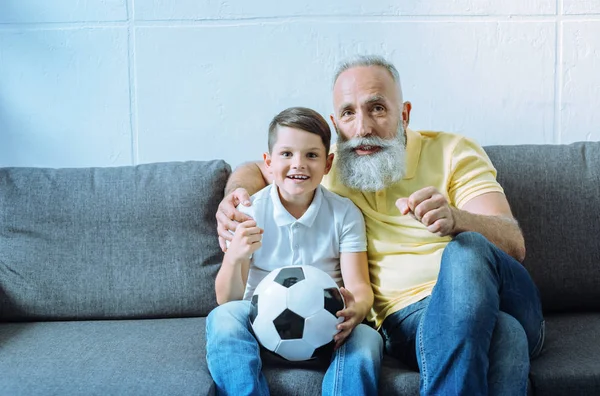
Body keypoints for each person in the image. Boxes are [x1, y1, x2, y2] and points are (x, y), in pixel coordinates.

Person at [216, 56, 545, 395]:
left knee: (468, 248)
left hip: (500, 293)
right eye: (348, 113)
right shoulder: (326, 166)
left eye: (376, 108)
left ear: (404, 114)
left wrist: (457, 219)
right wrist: (232, 196)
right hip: (410, 317)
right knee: (506, 335)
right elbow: (259, 168)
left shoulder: (452, 151)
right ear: (336, 124)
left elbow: (512, 241)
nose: (363, 128)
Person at [206, 106, 383, 396]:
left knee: (367, 339)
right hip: (260, 326)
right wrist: (236, 256)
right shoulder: (250, 212)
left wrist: (357, 309)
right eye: (287, 154)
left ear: (327, 164)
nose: (298, 164)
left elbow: (360, 287)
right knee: (222, 319)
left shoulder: (344, 213)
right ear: (269, 162)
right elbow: (227, 300)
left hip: (326, 331)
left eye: (311, 155)